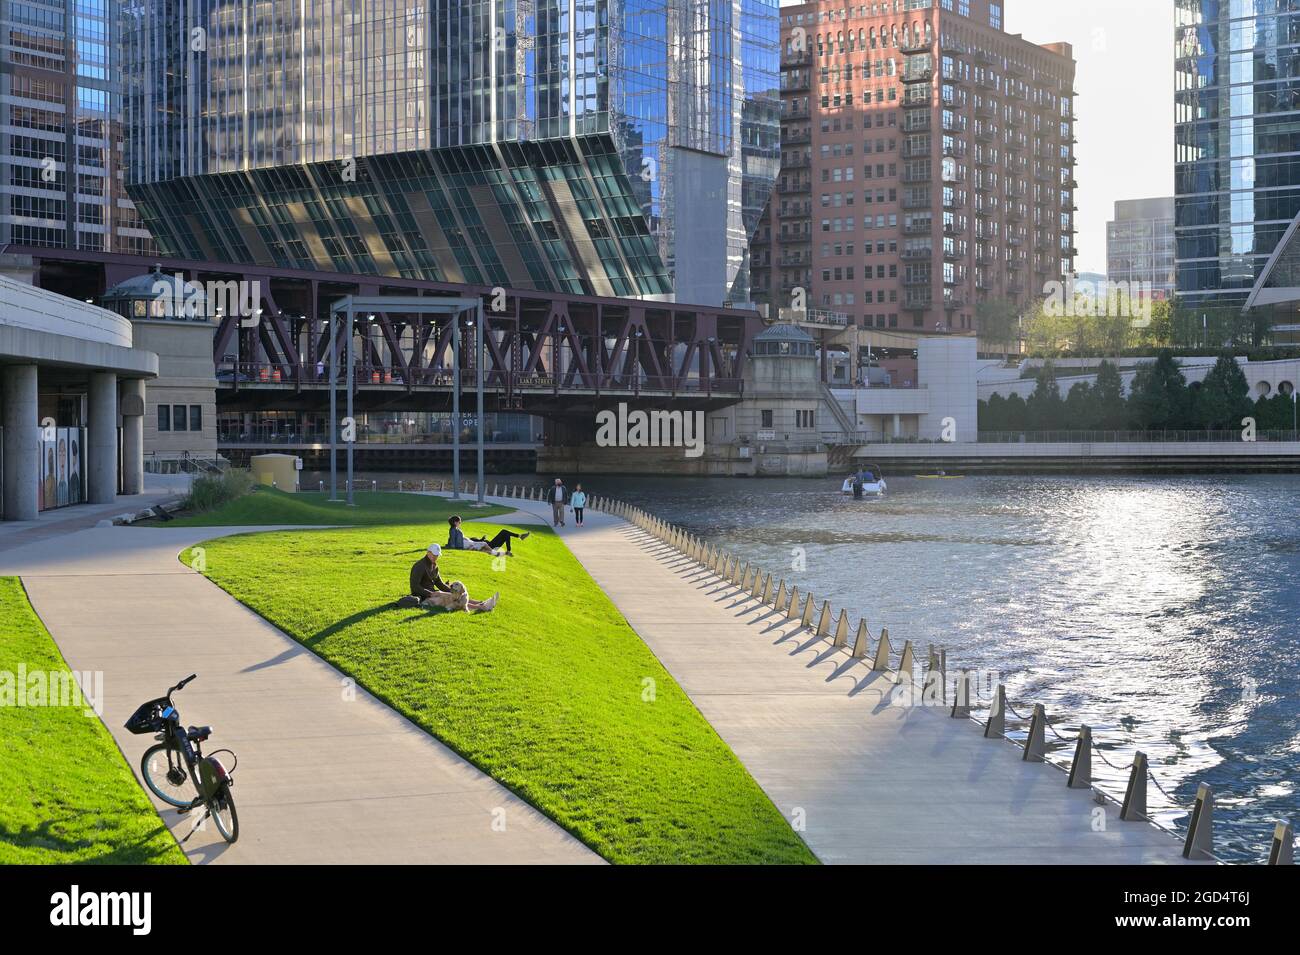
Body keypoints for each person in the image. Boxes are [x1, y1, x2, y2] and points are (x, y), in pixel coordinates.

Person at [404, 544, 497, 612]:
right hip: (423, 596)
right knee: (454, 599)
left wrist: (451, 589)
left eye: (437, 555)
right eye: (433, 554)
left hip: (433, 593)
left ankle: (481, 602)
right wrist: (431, 593)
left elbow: (439, 583)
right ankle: (482, 607)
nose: (435, 557)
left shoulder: (434, 566)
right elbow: (415, 586)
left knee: (458, 594)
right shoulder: (419, 566)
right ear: (428, 552)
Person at [446, 515, 529, 556]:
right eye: (459, 522)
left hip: (488, 543)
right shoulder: (454, 530)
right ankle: (519, 537)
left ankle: (508, 550)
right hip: (490, 545)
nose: (460, 523)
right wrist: (448, 546)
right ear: (455, 522)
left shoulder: (456, 531)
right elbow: (452, 540)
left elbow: (453, 539)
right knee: (504, 532)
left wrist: (481, 539)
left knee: (506, 534)